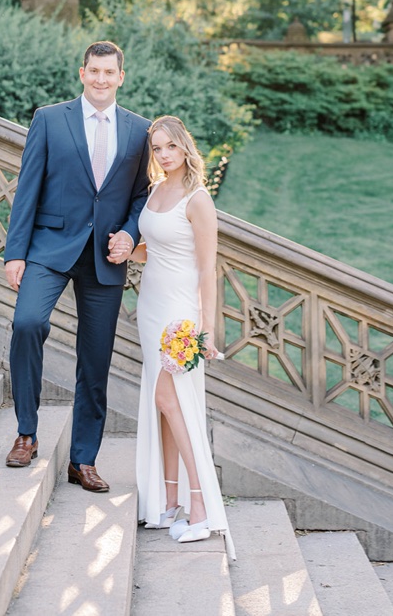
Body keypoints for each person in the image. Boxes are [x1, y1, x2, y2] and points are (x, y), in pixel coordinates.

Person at [3, 41, 151, 493]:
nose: (102, 79)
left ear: (121, 77)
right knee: (27, 323)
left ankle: (83, 459)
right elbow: (28, 186)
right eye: (95, 71)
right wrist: (15, 251)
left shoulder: (139, 131)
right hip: (50, 246)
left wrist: (129, 233)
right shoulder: (50, 119)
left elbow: (143, 195)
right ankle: (26, 432)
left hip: (106, 258)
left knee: (96, 360)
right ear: (82, 73)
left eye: (110, 72)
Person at [131, 115, 235, 558]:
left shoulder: (198, 199)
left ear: (185, 147)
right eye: (157, 148)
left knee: (171, 401)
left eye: (171, 146)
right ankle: (169, 501)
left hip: (180, 315)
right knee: (163, 407)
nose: (165, 154)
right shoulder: (156, 191)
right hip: (150, 306)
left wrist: (205, 329)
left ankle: (200, 508)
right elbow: (151, 247)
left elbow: (207, 269)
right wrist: (125, 247)